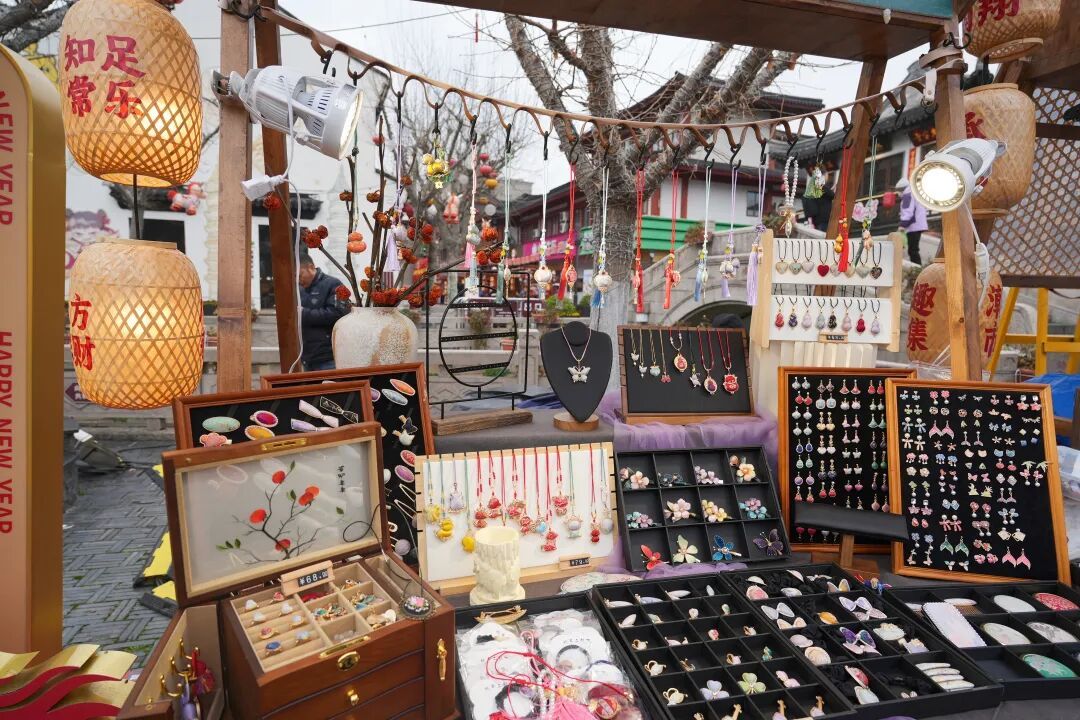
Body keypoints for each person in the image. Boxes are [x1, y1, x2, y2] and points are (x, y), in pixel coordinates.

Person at [298, 255, 347, 371]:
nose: (298, 280)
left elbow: (337, 314)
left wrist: (302, 313)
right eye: (295, 277)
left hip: (328, 357)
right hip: (307, 357)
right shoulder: (299, 289)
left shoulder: (333, 284)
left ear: (310, 267)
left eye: (300, 275)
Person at [897, 177, 928, 265]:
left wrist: (903, 224)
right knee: (913, 249)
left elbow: (908, 211)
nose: (898, 193)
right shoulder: (914, 193)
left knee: (913, 250)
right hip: (917, 224)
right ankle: (917, 268)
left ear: (902, 189)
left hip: (913, 226)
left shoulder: (907, 195)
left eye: (898, 190)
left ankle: (917, 269)